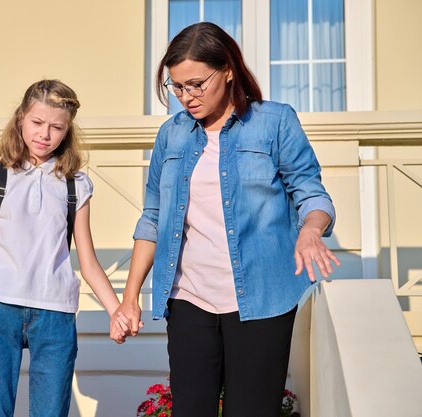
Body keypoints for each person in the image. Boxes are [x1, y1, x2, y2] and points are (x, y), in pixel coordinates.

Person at [111, 22, 340, 417]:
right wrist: (129, 298)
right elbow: (153, 217)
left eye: (197, 84)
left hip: (262, 300)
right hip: (189, 299)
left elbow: (311, 192)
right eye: (176, 87)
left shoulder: (275, 122)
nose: (187, 97)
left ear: (229, 69)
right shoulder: (171, 135)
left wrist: (310, 231)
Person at [0, 79, 126, 417]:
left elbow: (89, 262)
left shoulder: (76, 184)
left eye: (56, 127)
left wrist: (116, 311)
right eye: (37, 123)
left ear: (67, 131)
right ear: (21, 117)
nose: (44, 134)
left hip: (55, 315)